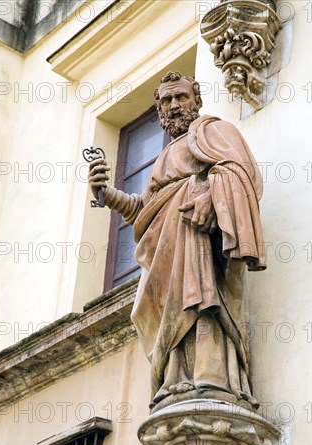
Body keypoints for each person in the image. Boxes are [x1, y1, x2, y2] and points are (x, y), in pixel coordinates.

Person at [88, 71, 266, 411]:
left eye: (181, 98)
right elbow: (146, 209)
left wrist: (211, 197)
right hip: (166, 254)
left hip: (199, 239)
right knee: (169, 313)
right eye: (166, 101)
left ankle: (212, 376)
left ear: (195, 100)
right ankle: (175, 380)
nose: (173, 106)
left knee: (201, 303)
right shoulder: (164, 157)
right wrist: (106, 194)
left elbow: (243, 172)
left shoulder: (213, 131)